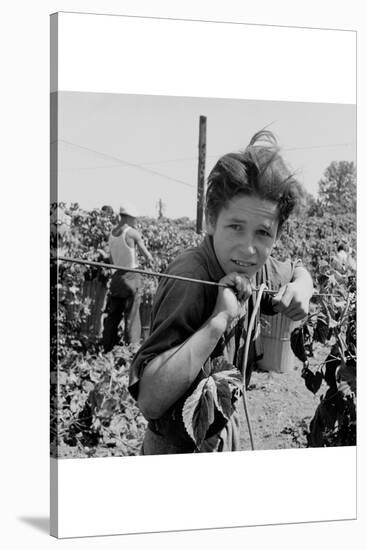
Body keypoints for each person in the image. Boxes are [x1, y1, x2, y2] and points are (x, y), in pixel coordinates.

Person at [128, 130, 314, 455]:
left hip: (225, 432)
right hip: (177, 448)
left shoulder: (255, 266)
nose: (249, 248)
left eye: (263, 233)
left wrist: (303, 284)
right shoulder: (190, 277)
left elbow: (293, 266)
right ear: (212, 219)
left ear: (276, 234)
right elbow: (150, 400)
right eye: (235, 227)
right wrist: (218, 321)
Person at [102, 204, 153, 351]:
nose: (135, 221)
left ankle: (107, 347)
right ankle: (132, 349)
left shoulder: (111, 233)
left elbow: (112, 261)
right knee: (132, 315)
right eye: (134, 218)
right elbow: (148, 256)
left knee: (113, 315)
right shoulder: (133, 233)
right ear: (127, 217)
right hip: (132, 277)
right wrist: (147, 260)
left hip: (117, 278)